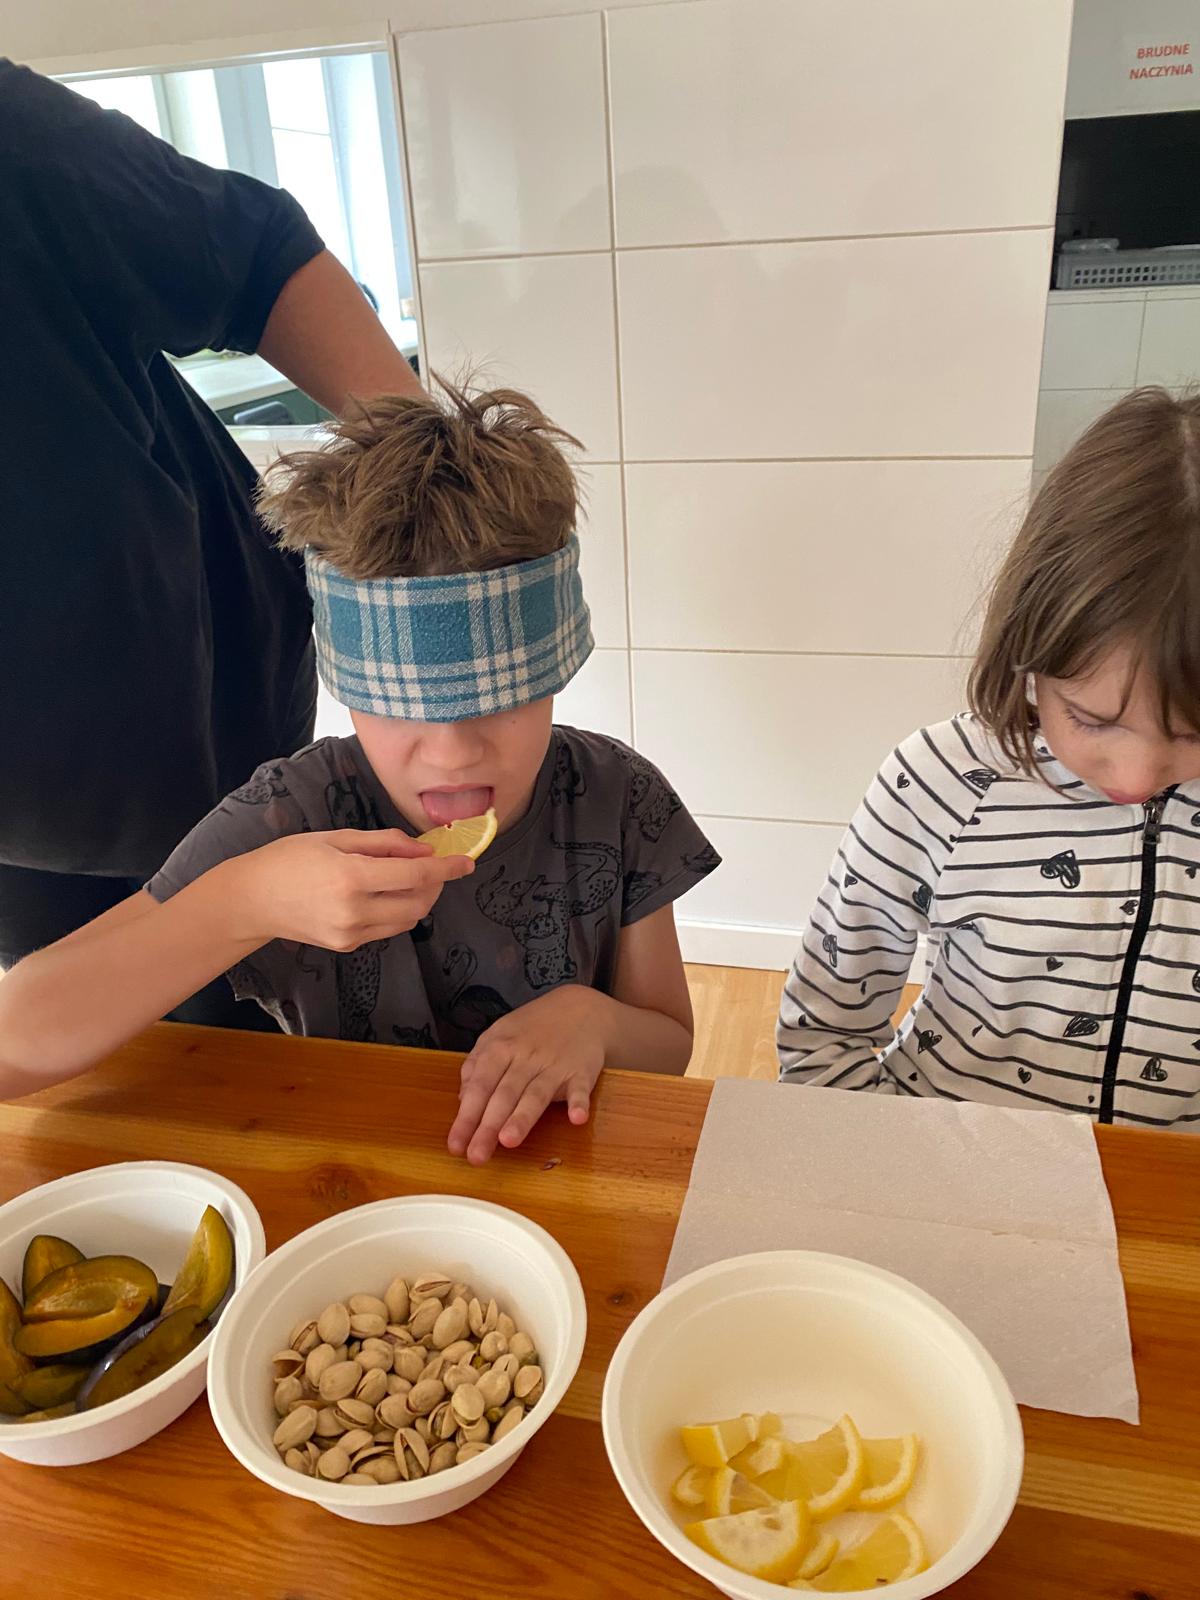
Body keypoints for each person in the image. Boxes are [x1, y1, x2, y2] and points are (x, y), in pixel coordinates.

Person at [0, 383, 720, 1162]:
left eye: (501, 700)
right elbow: (14, 1049)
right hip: (354, 1184)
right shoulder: (292, 817)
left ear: (555, 672)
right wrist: (245, 902)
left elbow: (669, 1042)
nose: (452, 751)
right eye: (404, 708)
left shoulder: (618, 797)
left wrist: (594, 1020)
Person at [0, 60, 422, 1028]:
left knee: (251, 1009)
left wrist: (430, 470)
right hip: (30, 830)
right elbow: (27, 1037)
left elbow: (257, 257)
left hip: (220, 706)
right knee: (109, 1032)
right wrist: (234, 906)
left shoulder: (11, 138)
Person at [777, 387, 1200, 1130]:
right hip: (939, 1163)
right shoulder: (938, 781)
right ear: (1027, 651)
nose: (1136, 777)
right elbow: (821, 1041)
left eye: (1194, 733)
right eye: (1091, 719)